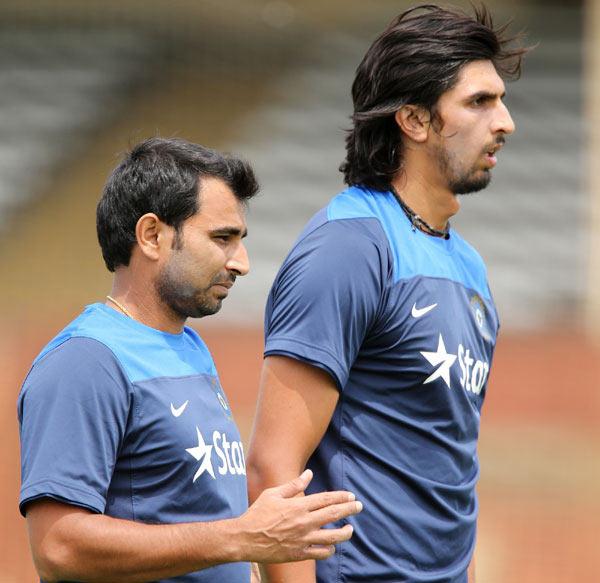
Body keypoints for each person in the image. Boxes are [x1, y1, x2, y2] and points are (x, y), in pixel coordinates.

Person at [247, 5, 528, 582]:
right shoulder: (349, 249)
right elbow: (274, 466)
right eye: (479, 102)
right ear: (415, 121)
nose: (505, 122)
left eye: (500, 99)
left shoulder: (467, 264)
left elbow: (446, 463)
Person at [17, 137, 362, 583]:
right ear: (152, 235)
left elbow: (206, 518)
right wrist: (241, 537)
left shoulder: (190, 346)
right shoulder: (87, 360)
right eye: (222, 238)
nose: (242, 262)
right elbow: (57, 547)